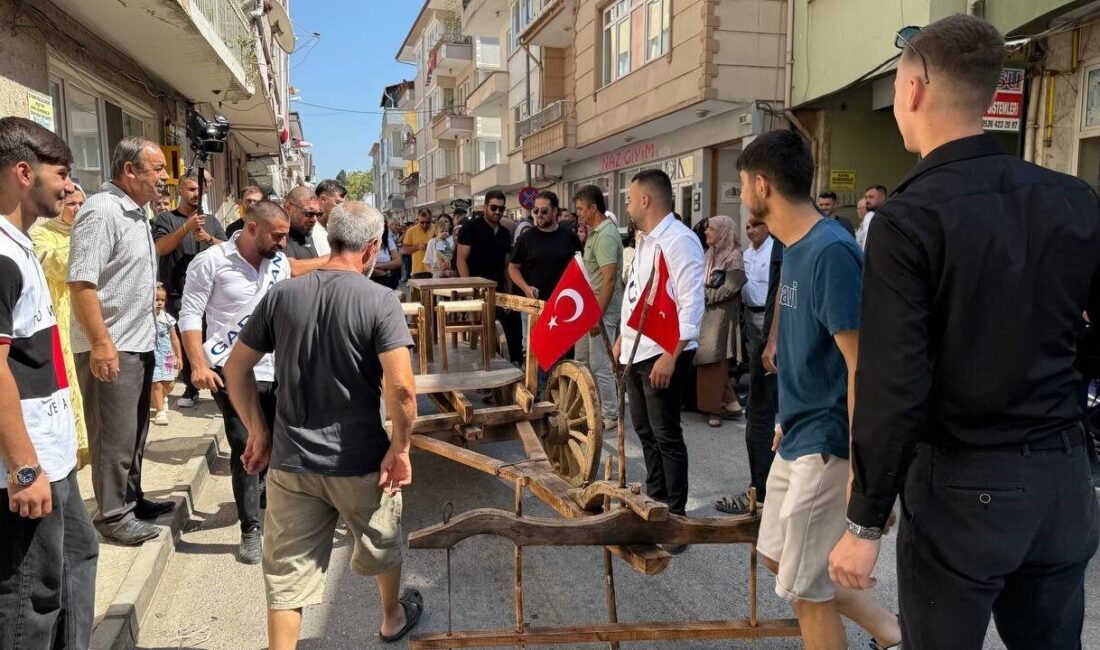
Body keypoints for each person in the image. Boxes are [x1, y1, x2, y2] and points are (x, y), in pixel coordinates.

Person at [829, 15, 1100, 650]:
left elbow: (893, 384)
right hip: (1062, 478)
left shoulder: (908, 219)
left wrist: (864, 522)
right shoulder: (1073, 199)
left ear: (914, 89)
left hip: (964, 484)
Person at [224, 201, 423, 647]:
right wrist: (401, 448)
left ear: (331, 238)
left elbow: (235, 368)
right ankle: (391, 618)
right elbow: (403, 390)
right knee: (381, 541)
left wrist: (258, 429)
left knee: (285, 574)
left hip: (292, 463)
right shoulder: (380, 300)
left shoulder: (282, 295)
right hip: (360, 460)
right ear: (371, 248)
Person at [738, 130, 900, 650]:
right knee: (777, 558)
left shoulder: (831, 252)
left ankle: (893, 632)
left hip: (829, 443)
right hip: (798, 431)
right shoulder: (794, 246)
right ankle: (894, 632)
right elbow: (808, 350)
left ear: (762, 185)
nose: (742, 195)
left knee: (805, 591)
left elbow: (861, 366)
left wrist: (860, 470)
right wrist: (785, 416)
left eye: (743, 184)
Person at [0, 117, 98, 650]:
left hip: (50, 456)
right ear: (24, 172)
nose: (69, 187)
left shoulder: (20, 244)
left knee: (77, 556)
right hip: (26, 466)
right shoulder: (2, 255)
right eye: (61, 174)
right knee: (28, 600)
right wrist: (23, 468)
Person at [68, 136, 175, 545]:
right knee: (112, 436)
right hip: (112, 345)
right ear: (130, 171)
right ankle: (112, 515)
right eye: (157, 169)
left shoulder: (136, 213)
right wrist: (101, 344)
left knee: (133, 432)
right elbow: (82, 283)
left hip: (139, 341)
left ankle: (131, 500)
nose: (164, 177)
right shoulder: (102, 211)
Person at [180, 200, 291, 565]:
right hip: (234, 373)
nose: (283, 243)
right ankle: (251, 529)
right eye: (278, 236)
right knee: (245, 444)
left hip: (276, 370)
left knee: (274, 441)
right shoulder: (210, 262)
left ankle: (268, 504)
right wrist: (198, 364)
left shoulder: (280, 264)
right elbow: (190, 314)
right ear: (253, 228)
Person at [612, 169, 704, 549]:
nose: (628, 205)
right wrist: (622, 336)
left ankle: (675, 521)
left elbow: (691, 304)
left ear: (646, 200)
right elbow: (638, 294)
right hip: (637, 351)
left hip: (663, 354)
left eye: (630, 199)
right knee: (645, 431)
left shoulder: (679, 241)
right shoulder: (647, 240)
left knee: (666, 435)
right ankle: (655, 505)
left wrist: (670, 355)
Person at [714, 216, 780, 514]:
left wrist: (773, 337)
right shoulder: (747, 255)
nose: (750, 229)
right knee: (758, 406)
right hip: (753, 321)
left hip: (772, 324)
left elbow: (780, 294)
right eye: (748, 225)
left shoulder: (779, 250)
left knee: (766, 407)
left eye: (757, 224)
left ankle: (764, 493)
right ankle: (761, 490)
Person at [153, 168, 227, 408]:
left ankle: (218, 385)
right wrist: (186, 227)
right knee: (185, 341)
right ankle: (190, 387)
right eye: (192, 189)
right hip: (177, 291)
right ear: (180, 190)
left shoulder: (211, 221)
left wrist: (207, 238)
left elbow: (228, 250)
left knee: (209, 338)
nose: (196, 193)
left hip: (209, 293)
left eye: (200, 189)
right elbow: (161, 247)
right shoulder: (165, 219)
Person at [30, 184, 89, 467]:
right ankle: (75, 449)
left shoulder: (91, 231)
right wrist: (81, 242)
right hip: (61, 317)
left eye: (81, 204)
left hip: (89, 315)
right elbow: (53, 265)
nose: (77, 210)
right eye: (71, 204)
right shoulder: (41, 233)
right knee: (70, 379)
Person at [574, 185, 623, 430]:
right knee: (582, 360)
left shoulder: (605, 236)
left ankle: (610, 414)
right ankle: (588, 408)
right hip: (591, 308)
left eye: (581, 209)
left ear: (593, 208)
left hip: (602, 312)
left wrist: (597, 316)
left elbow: (609, 279)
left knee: (601, 364)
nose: (579, 214)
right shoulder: (596, 233)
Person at [458, 190, 523, 363]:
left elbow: (506, 264)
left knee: (508, 329)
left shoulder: (504, 232)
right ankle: (486, 367)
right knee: (484, 334)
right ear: (485, 206)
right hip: (477, 289)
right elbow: (461, 260)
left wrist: (509, 292)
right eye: (494, 208)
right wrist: (469, 290)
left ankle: (511, 364)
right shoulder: (470, 227)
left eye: (501, 209)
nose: (497, 212)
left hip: (498, 288)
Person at [696, 216, 746, 427]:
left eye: (711, 229)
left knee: (715, 361)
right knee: (706, 359)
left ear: (724, 232)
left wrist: (703, 294)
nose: (706, 232)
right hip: (707, 315)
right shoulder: (709, 254)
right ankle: (731, 406)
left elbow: (730, 288)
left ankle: (715, 410)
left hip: (722, 318)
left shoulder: (734, 258)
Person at [508, 191, 582, 300]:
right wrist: (526, 288)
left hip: (563, 300)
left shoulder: (570, 237)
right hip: (534, 302)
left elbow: (579, 268)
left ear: (554, 211)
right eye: (536, 211)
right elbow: (513, 267)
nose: (539, 215)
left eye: (544, 211)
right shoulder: (525, 238)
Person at [150, 284, 181, 426]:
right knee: (156, 383)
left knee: (169, 383)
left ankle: (162, 398)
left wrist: (179, 356)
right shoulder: (147, 319)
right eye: (156, 300)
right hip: (153, 355)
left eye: (162, 300)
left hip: (167, 356)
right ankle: (160, 411)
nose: (159, 303)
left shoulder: (168, 319)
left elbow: (174, 339)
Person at [282, 185, 328, 276]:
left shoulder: (305, 231)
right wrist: (334, 258)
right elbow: (291, 269)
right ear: (288, 208)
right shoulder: (280, 235)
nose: (314, 219)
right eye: (309, 213)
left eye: (318, 214)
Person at [312, 179, 346, 257]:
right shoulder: (310, 230)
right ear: (323, 200)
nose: (341, 208)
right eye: (338, 203)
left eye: (343, 205)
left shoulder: (331, 230)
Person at [402, 208, 436, 279]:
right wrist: (418, 247)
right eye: (422, 222)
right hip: (418, 271)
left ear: (431, 218)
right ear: (418, 219)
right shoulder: (411, 230)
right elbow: (404, 250)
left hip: (435, 269)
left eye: (428, 222)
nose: (425, 225)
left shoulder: (436, 228)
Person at [370, 217, 403, 289]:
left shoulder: (388, 241)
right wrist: (384, 272)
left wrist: (376, 266)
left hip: (388, 281)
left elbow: (398, 261)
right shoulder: (365, 244)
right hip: (371, 282)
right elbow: (365, 267)